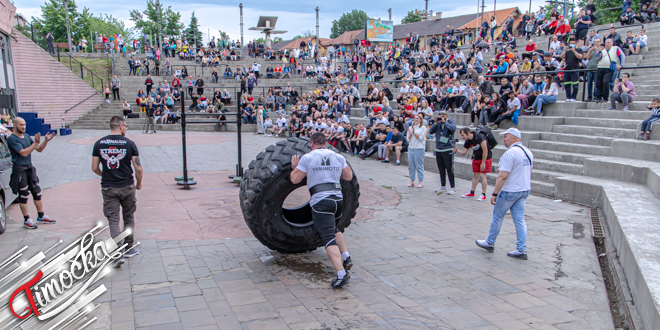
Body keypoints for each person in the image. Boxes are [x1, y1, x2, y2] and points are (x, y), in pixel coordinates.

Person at [290, 132, 354, 288]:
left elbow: (294, 179)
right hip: (338, 200)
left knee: (327, 237)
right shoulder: (337, 156)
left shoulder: (308, 158)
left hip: (321, 201)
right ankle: (346, 256)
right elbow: (348, 176)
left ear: (312, 144)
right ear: (326, 143)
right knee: (334, 228)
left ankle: (341, 274)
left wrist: (295, 167)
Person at [475, 128, 533, 260]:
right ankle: (521, 249)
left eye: (506, 137)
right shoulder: (528, 152)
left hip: (510, 191)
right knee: (519, 220)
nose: (503, 139)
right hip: (523, 189)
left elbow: (502, 176)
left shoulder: (510, 153)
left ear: (514, 138)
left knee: (498, 216)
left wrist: (495, 193)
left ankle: (490, 241)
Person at [91, 117, 142, 268]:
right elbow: (138, 168)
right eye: (126, 126)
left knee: (113, 220)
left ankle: (117, 252)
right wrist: (139, 183)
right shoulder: (130, 144)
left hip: (109, 187)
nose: (126, 129)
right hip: (127, 186)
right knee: (129, 217)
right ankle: (129, 247)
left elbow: (94, 167)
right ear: (120, 126)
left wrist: (106, 175)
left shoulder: (99, 144)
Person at [8, 118, 57, 230]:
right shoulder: (12, 139)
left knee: (37, 192)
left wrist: (45, 141)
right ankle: (27, 220)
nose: (23, 127)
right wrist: (35, 142)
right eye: (21, 125)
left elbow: (38, 149)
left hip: (29, 168)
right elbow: (24, 153)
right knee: (24, 194)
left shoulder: (26, 136)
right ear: (14, 125)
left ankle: (41, 216)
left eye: (24, 124)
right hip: (20, 169)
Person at [454, 127, 492, 201]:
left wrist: (483, 163)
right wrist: (457, 150)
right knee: (475, 175)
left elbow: (485, 150)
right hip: (476, 158)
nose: (462, 137)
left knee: (482, 175)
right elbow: (463, 152)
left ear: (468, 133)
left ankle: (483, 194)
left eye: (463, 135)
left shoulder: (479, 137)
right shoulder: (468, 141)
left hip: (485, 158)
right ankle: (472, 191)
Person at [430, 111, 457, 195]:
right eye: (440, 115)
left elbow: (453, 129)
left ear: (446, 116)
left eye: (443, 115)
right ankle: (443, 186)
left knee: (449, 168)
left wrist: (445, 122)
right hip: (439, 149)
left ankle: (453, 188)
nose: (441, 117)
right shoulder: (438, 124)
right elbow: (431, 131)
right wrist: (435, 123)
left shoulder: (450, 122)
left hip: (447, 148)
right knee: (441, 169)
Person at [406, 115, 427, 188]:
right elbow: (408, 140)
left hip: (419, 148)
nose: (416, 120)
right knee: (411, 166)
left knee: (419, 165)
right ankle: (412, 180)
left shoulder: (423, 128)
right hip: (411, 147)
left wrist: (414, 133)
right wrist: (410, 134)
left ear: (421, 120)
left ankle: (421, 181)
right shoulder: (410, 128)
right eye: (415, 118)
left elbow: (421, 139)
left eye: (418, 118)